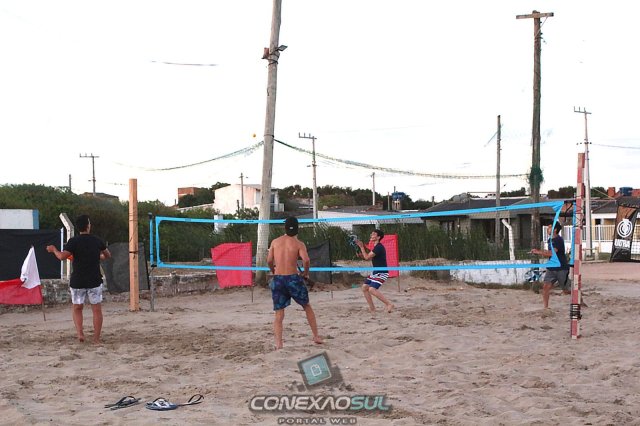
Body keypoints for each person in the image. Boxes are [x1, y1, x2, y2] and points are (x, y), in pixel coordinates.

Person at [46, 215, 111, 344]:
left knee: (77, 308)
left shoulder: (73, 241)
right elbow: (107, 255)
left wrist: (54, 250)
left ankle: (80, 334)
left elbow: (62, 257)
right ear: (88, 226)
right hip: (94, 280)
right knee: (96, 310)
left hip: (78, 280)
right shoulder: (97, 240)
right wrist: (97, 256)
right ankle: (96, 338)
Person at [267, 216, 322, 350]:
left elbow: (269, 260)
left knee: (279, 313)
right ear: (297, 229)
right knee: (306, 306)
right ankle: (316, 336)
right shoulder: (298, 244)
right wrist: (305, 273)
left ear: (285, 228)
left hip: (279, 278)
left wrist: (273, 271)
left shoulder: (275, 242)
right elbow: (306, 260)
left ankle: (279, 344)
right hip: (292, 278)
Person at [531, 222, 570, 309]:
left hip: (561, 268)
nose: (547, 229)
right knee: (545, 287)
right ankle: (546, 307)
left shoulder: (558, 239)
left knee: (566, 290)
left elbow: (552, 253)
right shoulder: (550, 240)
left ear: (555, 229)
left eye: (549, 227)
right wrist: (539, 252)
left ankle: (580, 300)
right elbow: (549, 253)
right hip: (551, 268)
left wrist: (538, 252)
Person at [356, 229, 394, 313]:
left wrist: (362, 247)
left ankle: (389, 304)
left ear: (378, 237)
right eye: (371, 234)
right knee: (364, 287)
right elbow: (368, 257)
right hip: (375, 272)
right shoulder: (376, 247)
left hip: (382, 272)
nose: (371, 235)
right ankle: (372, 308)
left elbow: (367, 257)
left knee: (372, 289)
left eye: (373, 234)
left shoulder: (379, 247)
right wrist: (361, 255)